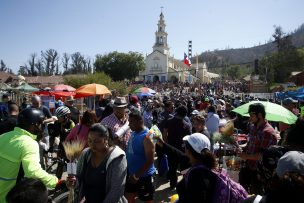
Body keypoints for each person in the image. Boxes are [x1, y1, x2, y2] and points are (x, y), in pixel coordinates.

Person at [0, 108, 58, 202]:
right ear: (35, 125)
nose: (43, 126)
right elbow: (33, 172)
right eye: (41, 123)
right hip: (8, 197)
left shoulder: (3, 136)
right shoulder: (29, 143)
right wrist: (54, 181)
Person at [71, 123, 127, 203]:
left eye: (97, 141)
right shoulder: (86, 154)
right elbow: (79, 180)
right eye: (89, 140)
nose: (92, 145)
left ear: (106, 139)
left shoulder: (118, 157)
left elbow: (116, 190)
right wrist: (73, 182)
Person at [156, 133, 217, 203]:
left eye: (185, 145)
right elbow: (177, 153)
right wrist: (163, 144)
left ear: (188, 150)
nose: (183, 146)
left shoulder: (197, 176)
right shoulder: (203, 163)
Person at [239, 103, 278, 194]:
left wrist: (246, 156)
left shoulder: (268, 132)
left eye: (252, 115)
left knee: (256, 195)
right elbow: (250, 144)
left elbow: (262, 156)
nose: (250, 118)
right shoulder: (253, 127)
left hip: (259, 173)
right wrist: (240, 146)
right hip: (248, 167)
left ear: (259, 115)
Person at [125, 110, 156, 203]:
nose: (128, 124)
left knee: (147, 200)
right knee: (128, 198)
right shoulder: (134, 132)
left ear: (140, 121)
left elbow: (150, 160)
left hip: (144, 177)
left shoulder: (147, 136)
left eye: (131, 122)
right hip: (132, 175)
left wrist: (136, 176)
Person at [163, 105, 192, 189]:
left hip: (171, 149)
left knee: (172, 168)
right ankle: (184, 184)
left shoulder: (169, 121)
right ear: (185, 114)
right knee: (184, 169)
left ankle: (173, 184)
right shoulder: (187, 125)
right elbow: (188, 139)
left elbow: (165, 133)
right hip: (183, 151)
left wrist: (166, 144)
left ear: (177, 112)